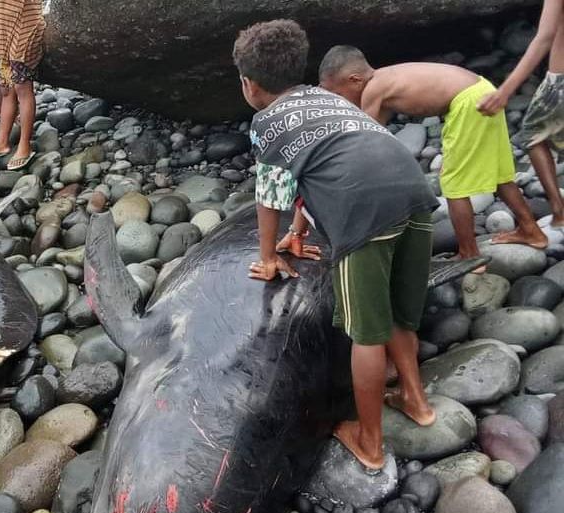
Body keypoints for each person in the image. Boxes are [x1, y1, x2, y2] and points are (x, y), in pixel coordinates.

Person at [234, 20, 439, 470]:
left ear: (249, 84)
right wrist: (301, 229)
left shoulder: (267, 121)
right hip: (414, 192)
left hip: (365, 215)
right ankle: (416, 401)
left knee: (367, 333)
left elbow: (270, 196)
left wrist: (269, 257)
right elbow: (326, 166)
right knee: (400, 311)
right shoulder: (324, 98)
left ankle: (370, 443)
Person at [319, 47, 549, 265]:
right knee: (500, 173)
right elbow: (375, 136)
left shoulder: (372, 90)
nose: (337, 100)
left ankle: (469, 254)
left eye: (337, 94)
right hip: (483, 89)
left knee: (453, 183)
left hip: (468, 102)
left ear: (355, 80)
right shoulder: (384, 79)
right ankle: (531, 230)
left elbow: (360, 138)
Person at [479, 0, 564, 228]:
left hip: (560, 83)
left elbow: (544, 36)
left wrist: (504, 91)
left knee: (531, 135)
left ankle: (558, 209)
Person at [0, 0, 44, 170]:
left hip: (24, 31)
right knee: (6, 90)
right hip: (2, 35)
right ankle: (2, 141)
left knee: (22, 88)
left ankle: (24, 145)